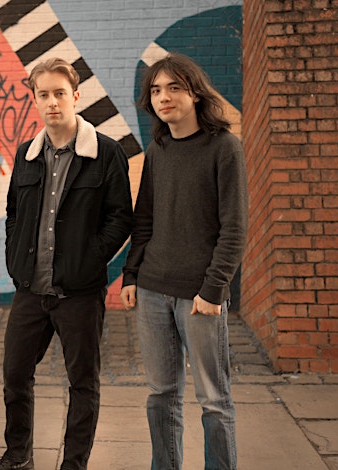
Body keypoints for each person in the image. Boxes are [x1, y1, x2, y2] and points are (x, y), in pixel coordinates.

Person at [0, 58, 134, 470]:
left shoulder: (106, 152)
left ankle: (74, 463)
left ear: (76, 96)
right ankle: (18, 456)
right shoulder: (26, 154)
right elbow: (14, 212)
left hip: (79, 292)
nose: (52, 102)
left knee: (82, 382)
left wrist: (90, 259)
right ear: (35, 100)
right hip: (31, 290)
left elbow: (120, 217)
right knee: (15, 375)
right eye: (43, 95)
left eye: (59, 93)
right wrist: (16, 258)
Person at [120, 52, 248, 470]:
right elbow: (144, 219)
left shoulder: (224, 147)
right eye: (156, 90)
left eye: (174, 87)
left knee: (214, 399)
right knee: (161, 395)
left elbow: (234, 228)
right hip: (153, 290)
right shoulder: (157, 150)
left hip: (199, 296)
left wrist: (213, 290)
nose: (164, 97)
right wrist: (131, 275)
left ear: (195, 93)